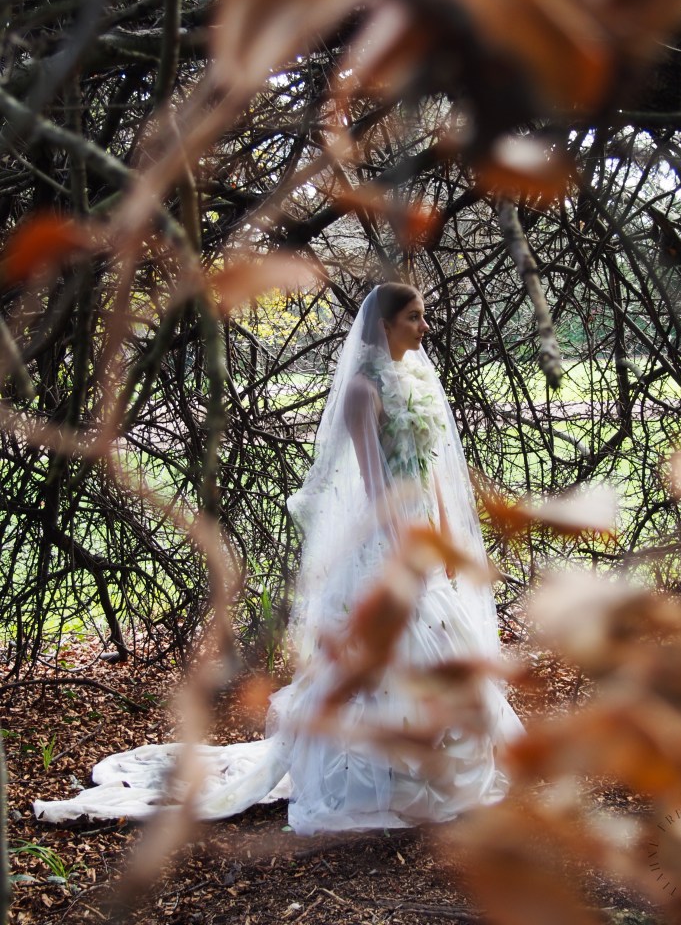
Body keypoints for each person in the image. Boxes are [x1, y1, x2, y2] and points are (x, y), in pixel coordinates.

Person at [33, 284, 523, 833]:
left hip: (422, 532)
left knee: (440, 640)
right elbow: (374, 482)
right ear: (384, 325)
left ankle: (436, 770)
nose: (425, 328)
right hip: (386, 539)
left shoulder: (418, 382)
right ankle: (381, 778)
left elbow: (430, 472)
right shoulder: (362, 390)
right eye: (414, 318)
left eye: (423, 317)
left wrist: (446, 536)